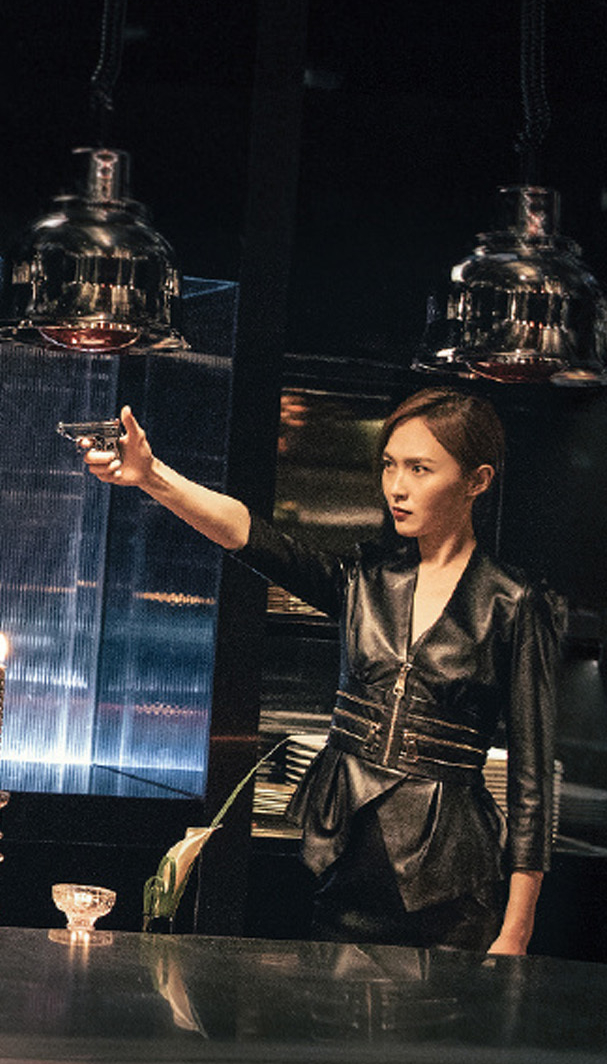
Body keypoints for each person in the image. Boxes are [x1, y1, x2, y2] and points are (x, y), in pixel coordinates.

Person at [81, 388, 559, 954]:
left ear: (476, 480)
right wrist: (153, 476)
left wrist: (516, 929)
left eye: (419, 469)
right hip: (346, 866)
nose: (396, 486)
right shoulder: (366, 578)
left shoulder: (513, 602)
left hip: (451, 888)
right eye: (389, 465)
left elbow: (532, 780)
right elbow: (253, 537)